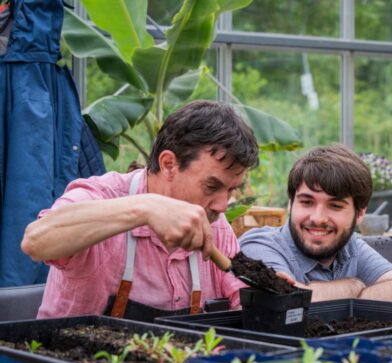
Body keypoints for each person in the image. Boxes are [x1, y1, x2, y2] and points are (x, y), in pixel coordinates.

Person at [21, 100, 259, 320]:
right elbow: (36, 241)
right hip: (73, 362)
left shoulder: (215, 224)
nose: (221, 205)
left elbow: (243, 294)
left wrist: (274, 295)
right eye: (211, 186)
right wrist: (144, 208)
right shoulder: (104, 195)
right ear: (168, 164)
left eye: (230, 191)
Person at [239, 145, 392, 304]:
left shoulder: (351, 247)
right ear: (290, 204)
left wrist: (351, 298)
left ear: (360, 213)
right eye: (307, 202)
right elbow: (285, 302)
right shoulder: (258, 246)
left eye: (335, 206)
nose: (318, 218)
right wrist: (352, 286)